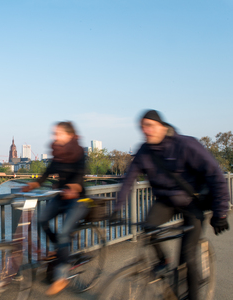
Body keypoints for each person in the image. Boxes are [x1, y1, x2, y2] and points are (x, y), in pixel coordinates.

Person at [112, 109, 230, 300]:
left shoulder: (186, 145)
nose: (145, 131)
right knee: (148, 230)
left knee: (187, 255)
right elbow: (128, 179)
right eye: (142, 127)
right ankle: (163, 261)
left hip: (193, 203)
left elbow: (215, 174)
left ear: (162, 126)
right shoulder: (144, 150)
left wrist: (221, 213)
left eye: (149, 126)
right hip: (165, 201)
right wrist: (116, 209)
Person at [22, 121, 88, 295]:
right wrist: (34, 184)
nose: (55, 136)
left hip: (78, 199)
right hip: (61, 196)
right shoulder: (58, 154)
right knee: (42, 219)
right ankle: (59, 248)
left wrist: (74, 187)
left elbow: (81, 176)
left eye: (58, 133)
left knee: (65, 231)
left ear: (68, 135)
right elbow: (46, 174)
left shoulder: (79, 153)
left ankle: (61, 278)